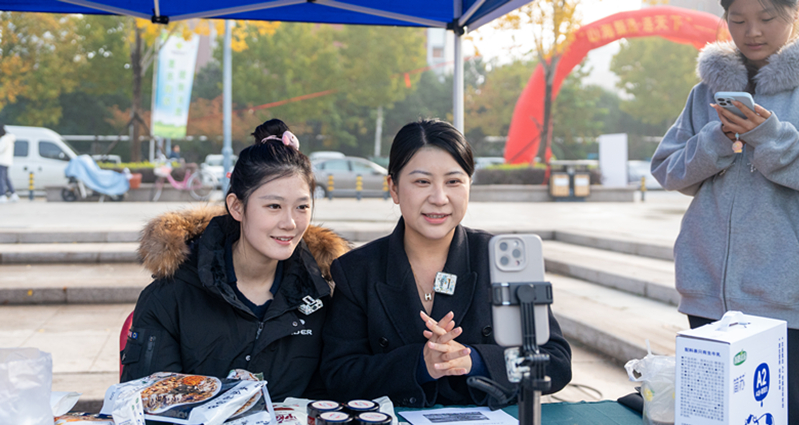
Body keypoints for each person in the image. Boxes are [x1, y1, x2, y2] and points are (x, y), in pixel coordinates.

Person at [651, 0, 799, 425]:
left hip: (783, 289)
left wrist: (770, 137)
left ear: (796, 10)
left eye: (767, 17)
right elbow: (668, 169)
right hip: (706, 285)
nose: (752, 31)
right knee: (714, 423)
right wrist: (716, 141)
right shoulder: (705, 91)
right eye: (738, 19)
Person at [320, 119, 572, 407]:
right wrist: (420, 364)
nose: (439, 198)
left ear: (469, 185)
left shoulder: (501, 259)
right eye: (422, 182)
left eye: (453, 181)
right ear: (394, 188)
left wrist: (474, 360)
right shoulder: (357, 270)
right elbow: (338, 375)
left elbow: (555, 362)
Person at [121, 119, 350, 401]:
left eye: (302, 207)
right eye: (274, 206)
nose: (290, 223)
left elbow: (329, 400)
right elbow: (147, 404)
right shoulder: (172, 295)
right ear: (237, 206)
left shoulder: (322, 296)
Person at [0, 125, 19, 203]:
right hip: (7, 161)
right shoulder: (10, 139)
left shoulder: (4, 139)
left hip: (2, 161)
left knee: (1, 179)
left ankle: (2, 195)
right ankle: (13, 194)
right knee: (6, 178)